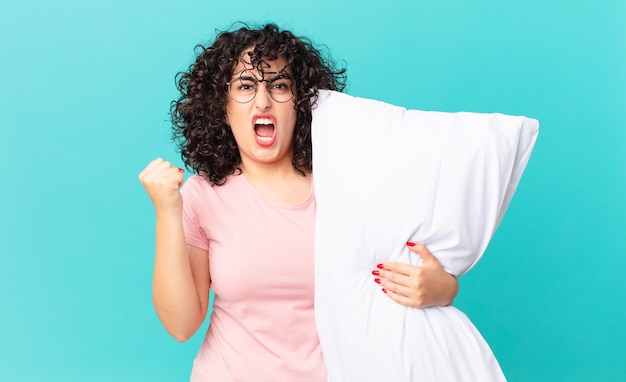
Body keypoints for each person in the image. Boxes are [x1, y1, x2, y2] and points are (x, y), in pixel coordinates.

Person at [138, 23, 459, 381]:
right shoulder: (202, 195)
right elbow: (182, 325)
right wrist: (167, 212)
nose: (263, 101)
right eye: (246, 86)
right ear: (221, 106)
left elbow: (399, 281)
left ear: (302, 103)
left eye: (279, 85)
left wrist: (443, 289)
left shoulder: (346, 186)